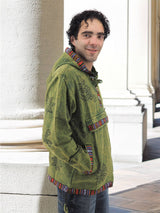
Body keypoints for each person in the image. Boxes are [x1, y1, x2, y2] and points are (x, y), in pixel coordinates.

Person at [42, 10, 113, 213]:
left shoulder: (86, 74)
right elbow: (53, 136)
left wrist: (97, 169)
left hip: (96, 181)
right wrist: (87, 163)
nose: (94, 42)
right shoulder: (66, 76)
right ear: (73, 39)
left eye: (100, 36)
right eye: (87, 34)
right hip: (79, 183)